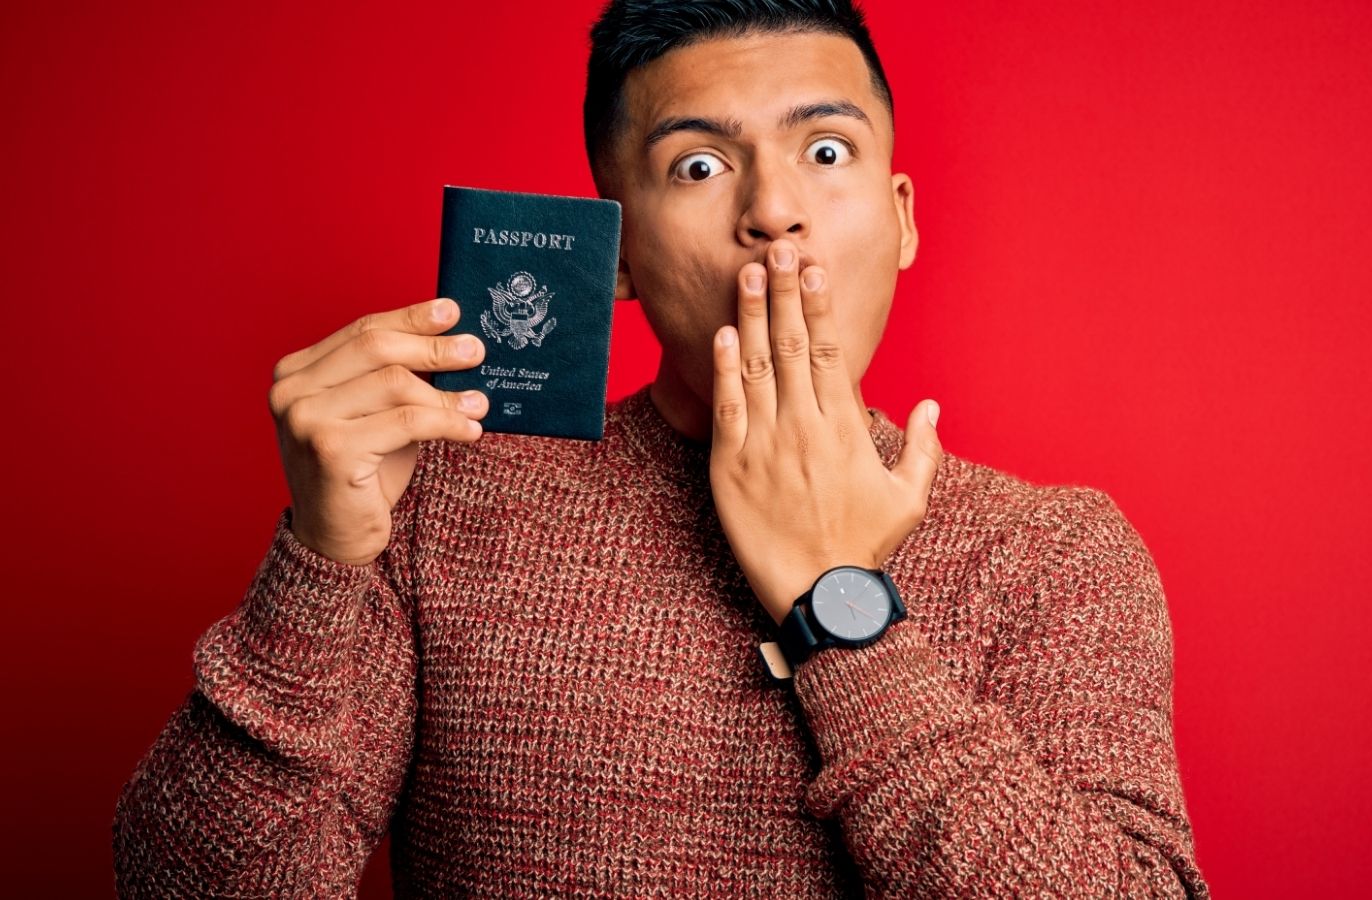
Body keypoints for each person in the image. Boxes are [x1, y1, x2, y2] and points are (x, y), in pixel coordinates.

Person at [113, 0, 1210, 895]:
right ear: (617, 253)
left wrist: (840, 606)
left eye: (826, 151)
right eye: (697, 166)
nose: (774, 211)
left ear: (903, 215)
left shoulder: (1052, 553)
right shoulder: (437, 507)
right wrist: (320, 561)